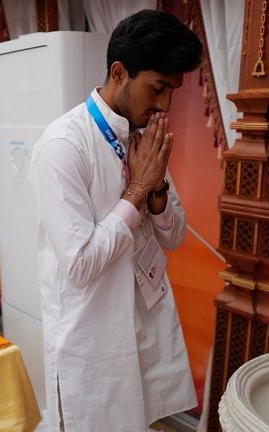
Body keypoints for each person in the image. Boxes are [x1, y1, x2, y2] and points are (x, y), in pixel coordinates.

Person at [27, 10, 203, 431]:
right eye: (158, 88)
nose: (164, 105)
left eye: (172, 91)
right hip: (91, 334)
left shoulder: (138, 135)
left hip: (142, 320)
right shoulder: (63, 145)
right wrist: (137, 191)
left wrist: (156, 188)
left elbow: (175, 236)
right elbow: (80, 264)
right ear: (119, 72)